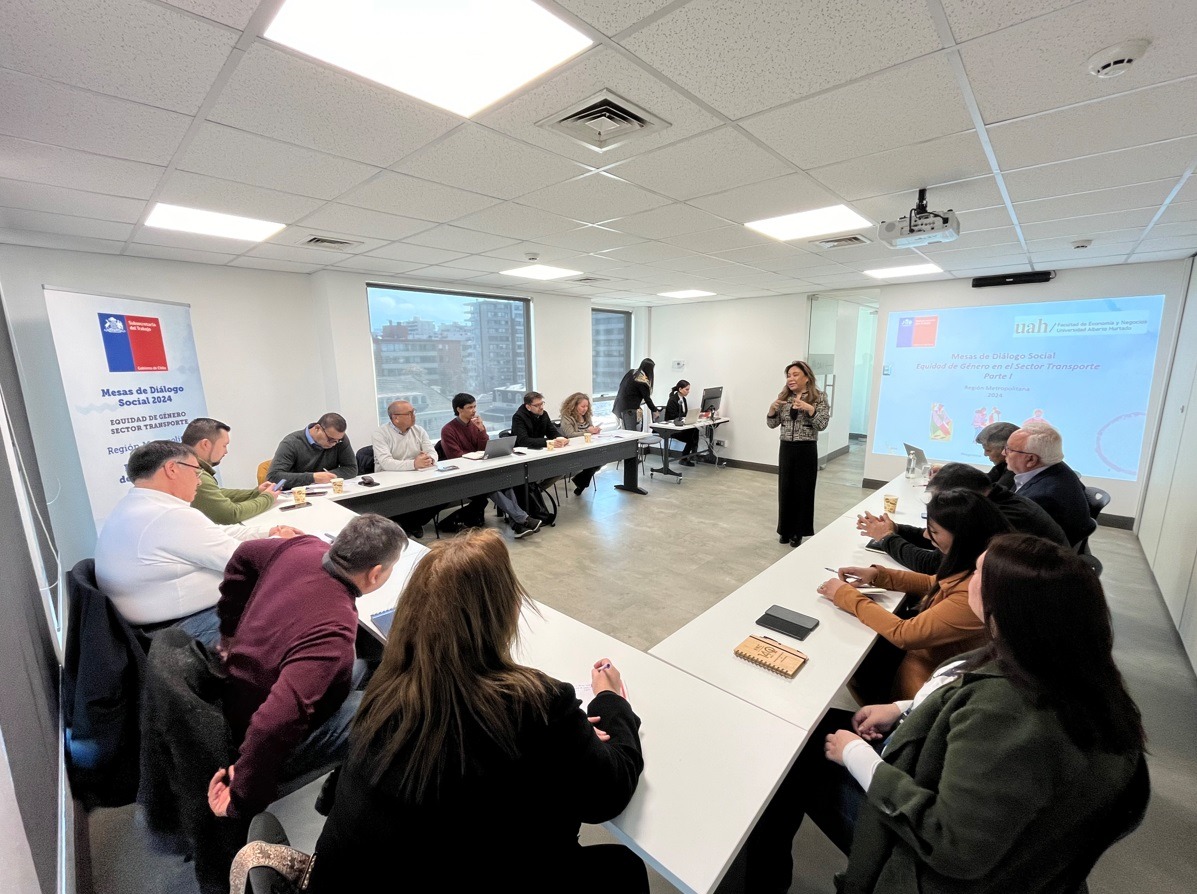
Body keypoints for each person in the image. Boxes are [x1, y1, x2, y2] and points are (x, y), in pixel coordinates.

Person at [746, 533, 1146, 893]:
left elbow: (952, 845)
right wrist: (904, 709)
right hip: (942, 781)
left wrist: (856, 756)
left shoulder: (1012, 714)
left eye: (977, 572)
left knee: (790, 757)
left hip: (923, 863)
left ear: (1002, 603)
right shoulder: (1065, 665)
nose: (965, 578)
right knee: (819, 726)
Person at [304, 530, 649, 892]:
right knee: (623, 868)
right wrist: (612, 702)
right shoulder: (534, 706)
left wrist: (569, 740)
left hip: (349, 878)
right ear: (505, 613)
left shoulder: (383, 690)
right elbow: (609, 794)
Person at [206, 514, 408, 821]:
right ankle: (345, 799)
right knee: (398, 713)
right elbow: (272, 725)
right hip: (256, 729)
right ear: (376, 573)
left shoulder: (301, 548)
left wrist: (230, 631)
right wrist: (243, 797)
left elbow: (244, 554)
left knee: (364, 666)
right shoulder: (333, 632)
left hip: (242, 685)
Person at [94, 440, 300, 646]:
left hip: (153, 627)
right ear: (172, 469)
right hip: (182, 631)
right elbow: (243, 562)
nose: (199, 481)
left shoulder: (137, 506)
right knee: (298, 616)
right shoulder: (168, 515)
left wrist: (268, 532)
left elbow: (216, 533)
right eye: (196, 472)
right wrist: (280, 542)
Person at [820, 488, 1013, 699]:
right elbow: (936, 582)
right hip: (934, 658)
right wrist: (878, 574)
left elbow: (905, 635)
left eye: (934, 531)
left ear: (963, 534)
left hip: (925, 678)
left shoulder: (977, 588)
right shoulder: (984, 562)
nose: (925, 535)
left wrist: (845, 595)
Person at [855, 461, 1067, 574]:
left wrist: (887, 538)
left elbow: (933, 564)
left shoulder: (999, 519)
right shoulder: (994, 501)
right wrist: (897, 529)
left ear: (964, 497)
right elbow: (940, 539)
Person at [439, 392, 541, 539]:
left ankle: (518, 524)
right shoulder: (448, 430)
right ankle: (522, 519)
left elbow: (484, 447)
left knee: (506, 483)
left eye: (475, 406)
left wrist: (481, 430)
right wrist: (476, 457)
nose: (474, 410)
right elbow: (455, 457)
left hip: (480, 470)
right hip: (464, 476)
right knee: (492, 486)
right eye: (469, 407)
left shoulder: (475, 425)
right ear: (459, 409)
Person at [767, 360, 830, 547]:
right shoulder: (784, 397)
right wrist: (771, 411)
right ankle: (784, 529)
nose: (791, 379)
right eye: (788, 375)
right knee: (785, 489)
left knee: (803, 491)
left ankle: (798, 531)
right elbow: (772, 424)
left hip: (806, 448)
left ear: (806, 377)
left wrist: (809, 409)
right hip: (786, 447)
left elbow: (822, 424)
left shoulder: (819, 397)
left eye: (795, 375)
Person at [1005, 422, 1095, 547]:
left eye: (1009, 450)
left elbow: (1011, 537)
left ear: (1031, 459)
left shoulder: (1042, 497)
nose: (1004, 453)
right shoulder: (1058, 469)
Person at [182, 417, 278, 524]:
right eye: (224, 445)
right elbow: (230, 514)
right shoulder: (195, 474)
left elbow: (217, 493)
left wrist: (255, 493)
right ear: (205, 444)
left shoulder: (187, 466)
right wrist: (267, 498)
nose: (226, 451)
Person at [371, 400, 444, 538]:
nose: (414, 415)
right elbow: (386, 463)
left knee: (442, 493)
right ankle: (405, 526)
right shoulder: (380, 433)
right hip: (390, 480)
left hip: (417, 476)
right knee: (404, 500)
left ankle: (413, 523)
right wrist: (414, 464)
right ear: (395, 417)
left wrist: (430, 459)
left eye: (413, 411)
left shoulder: (419, 430)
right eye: (409, 413)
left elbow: (432, 451)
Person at [266, 412, 357, 486]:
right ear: (317, 428)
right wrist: (313, 478)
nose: (334, 444)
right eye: (330, 439)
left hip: (327, 492)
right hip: (297, 495)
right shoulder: (291, 443)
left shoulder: (340, 439)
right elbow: (273, 477)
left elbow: (351, 468)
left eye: (338, 441)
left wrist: (326, 477)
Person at [558, 391, 602, 494]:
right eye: (582, 406)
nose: (585, 409)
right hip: (574, 448)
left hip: (588, 446)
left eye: (587, 406)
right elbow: (570, 435)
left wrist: (595, 430)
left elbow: (590, 430)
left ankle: (580, 481)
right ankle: (581, 483)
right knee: (596, 460)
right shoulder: (567, 418)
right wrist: (588, 431)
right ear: (574, 406)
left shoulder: (586, 416)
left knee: (601, 458)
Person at [612, 358, 658, 430]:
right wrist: (655, 410)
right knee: (631, 435)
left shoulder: (631, 372)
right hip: (629, 410)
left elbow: (621, 385)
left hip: (618, 406)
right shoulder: (642, 380)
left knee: (624, 432)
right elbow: (647, 398)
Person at [664, 380, 700, 466]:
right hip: (672, 428)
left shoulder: (683, 399)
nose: (688, 391)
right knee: (692, 437)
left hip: (681, 426)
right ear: (680, 389)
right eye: (686, 389)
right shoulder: (672, 400)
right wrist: (686, 415)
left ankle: (690, 455)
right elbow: (673, 416)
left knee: (695, 431)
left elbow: (684, 414)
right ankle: (686, 457)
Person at [975, 420, 1019, 488]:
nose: (985, 454)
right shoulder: (1002, 467)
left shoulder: (1015, 473)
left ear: (1006, 450)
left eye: (988, 450)